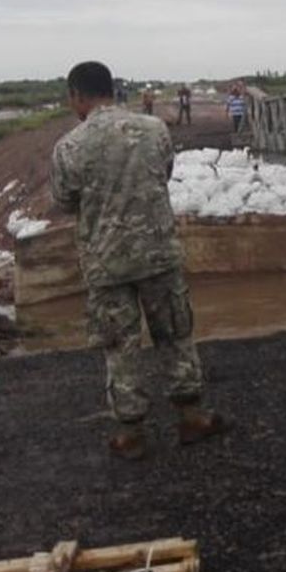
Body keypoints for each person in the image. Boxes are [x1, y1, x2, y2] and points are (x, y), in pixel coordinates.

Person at [51, 61, 224, 459]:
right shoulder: (154, 130)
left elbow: (64, 202)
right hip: (158, 253)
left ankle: (131, 434)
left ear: (77, 95)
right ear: (111, 89)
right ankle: (192, 417)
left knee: (120, 345)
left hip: (106, 263)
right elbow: (162, 173)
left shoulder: (70, 146)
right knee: (175, 334)